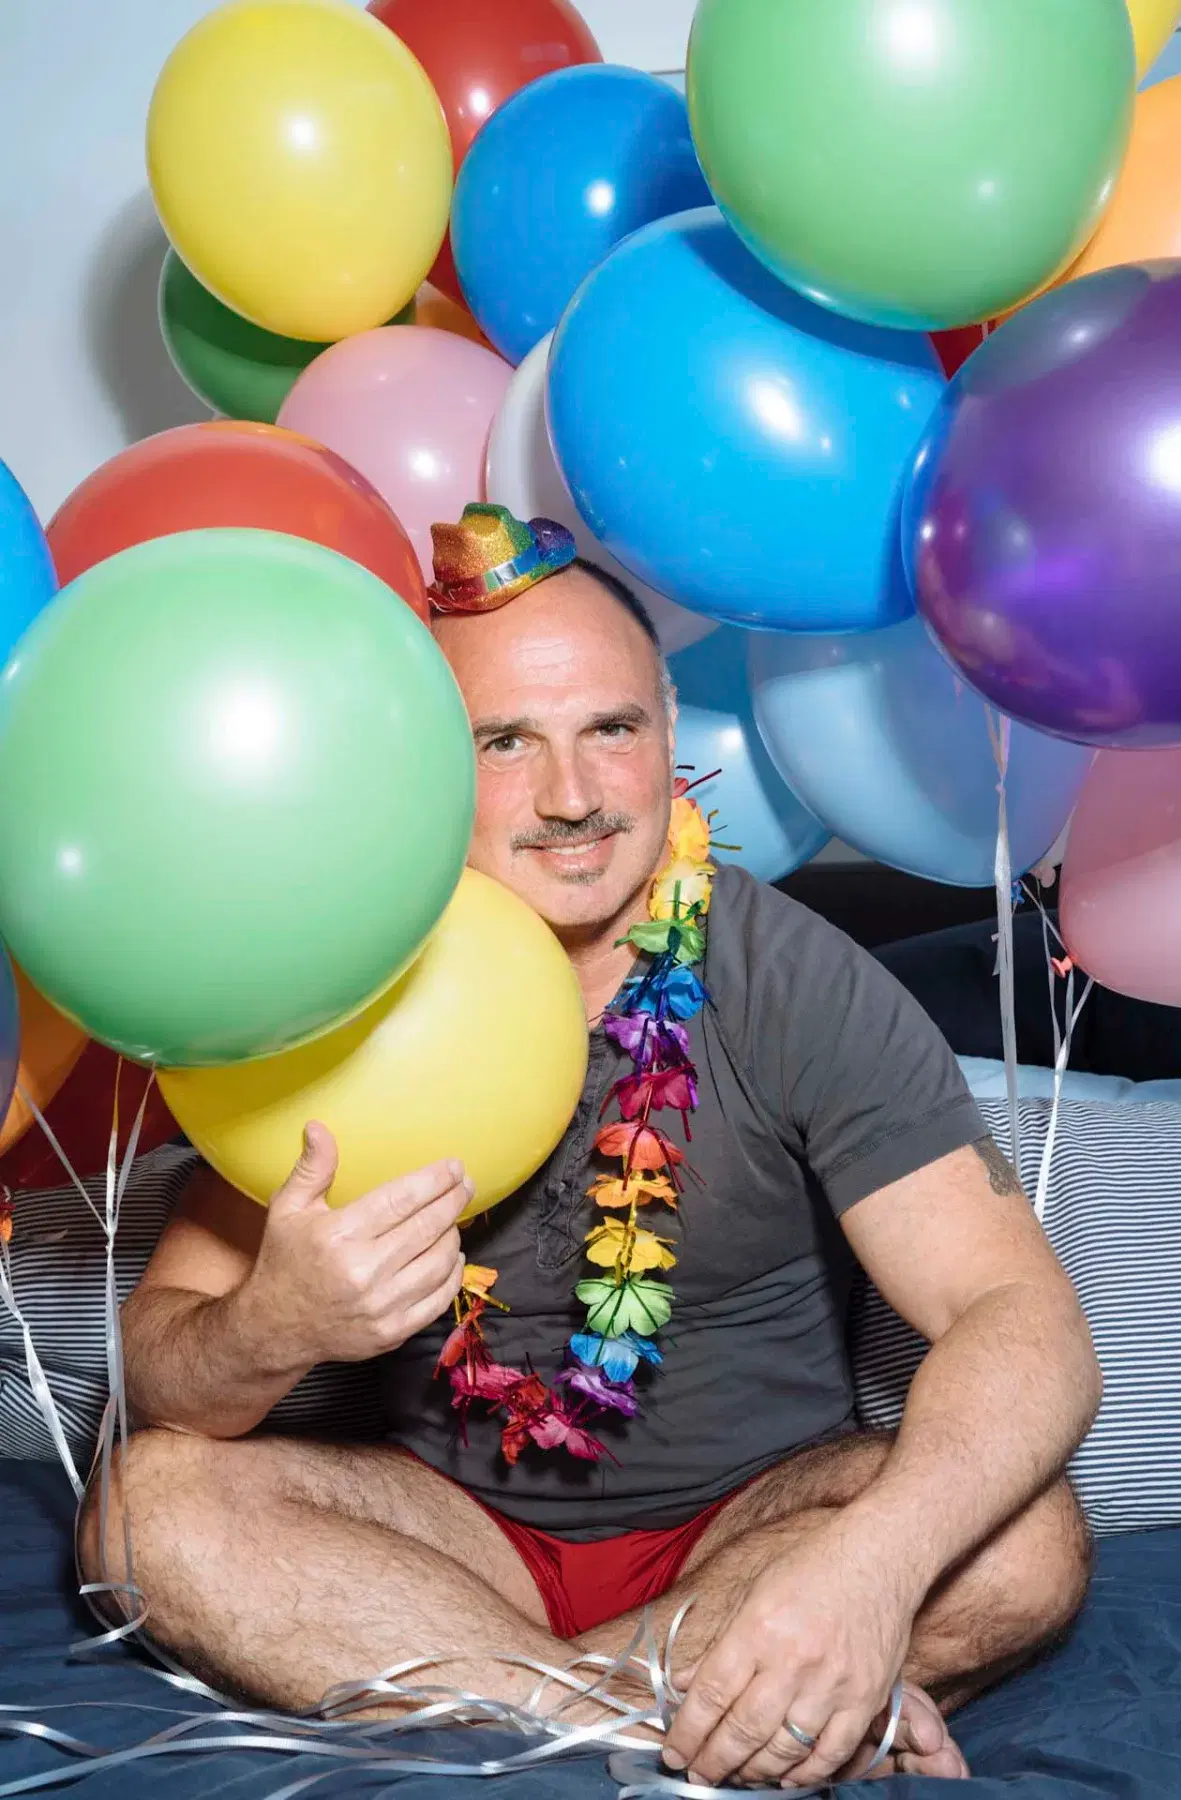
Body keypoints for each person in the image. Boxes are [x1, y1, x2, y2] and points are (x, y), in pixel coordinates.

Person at [84, 505, 1101, 1790]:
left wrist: (864, 1575)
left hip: (755, 1521)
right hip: (449, 1540)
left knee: (1029, 1542)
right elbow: (167, 1375)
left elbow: (1018, 1312)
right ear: (417, 763)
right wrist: (272, 1327)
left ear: (668, 736)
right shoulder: (330, 973)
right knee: (144, 1507)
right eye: (504, 742)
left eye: (609, 730)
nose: (571, 799)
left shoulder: (791, 979)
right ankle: (677, 1725)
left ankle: (541, 1702)